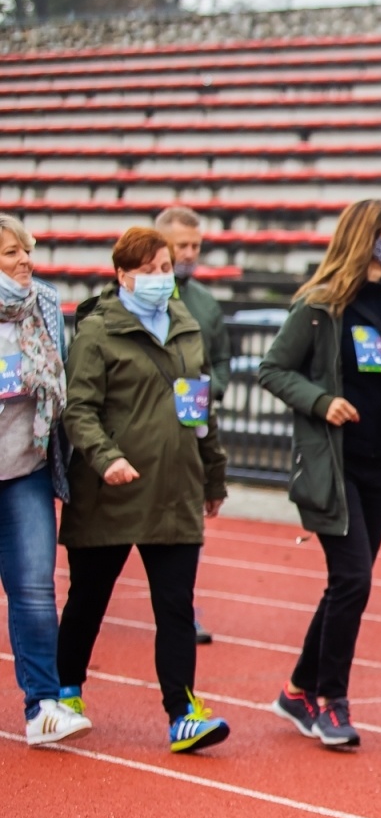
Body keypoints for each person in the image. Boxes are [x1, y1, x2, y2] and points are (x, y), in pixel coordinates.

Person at [257, 199, 381, 749]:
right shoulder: (320, 305)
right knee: (354, 580)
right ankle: (331, 700)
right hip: (336, 468)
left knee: (346, 584)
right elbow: (273, 369)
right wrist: (320, 401)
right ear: (365, 239)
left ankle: (295, 690)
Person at [56, 225, 230, 752]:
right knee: (88, 598)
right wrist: (107, 459)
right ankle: (65, 692)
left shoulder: (185, 325)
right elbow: (78, 409)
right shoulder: (97, 332)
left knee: (176, 606)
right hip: (112, 490)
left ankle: (182, 713)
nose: (161, 278)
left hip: (174, 488)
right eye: (150, 270)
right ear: (122, 275)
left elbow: (198, 407)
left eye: (165, 268)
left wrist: (213, 472)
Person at [0, 214, 87, 746]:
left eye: (26, 252)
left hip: (25, 466)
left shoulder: (46, 304)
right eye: (11, 253)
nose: (25, 261)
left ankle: (44, 706)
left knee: (34, 588)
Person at [155, 205, 228, 646]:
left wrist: (207, 388)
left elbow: (220, 360)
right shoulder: (140, 295)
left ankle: (184, 609)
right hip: (140, 432)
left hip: (189, 433)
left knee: (186, 529)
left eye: (195, 245)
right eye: (181, 244)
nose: (189, 253)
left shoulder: (206, 303)